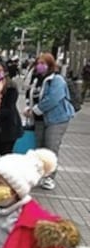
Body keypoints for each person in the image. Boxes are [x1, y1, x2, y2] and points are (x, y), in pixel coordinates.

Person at [24, 53, 75, 190]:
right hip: (40, 119)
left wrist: (35, 110)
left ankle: (49, 177)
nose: (40, 66)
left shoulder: (57, 80)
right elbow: (31, 95)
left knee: (51, 147)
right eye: (38, 63)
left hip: (57, 119)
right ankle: (39, 175)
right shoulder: (37, 79)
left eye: (43, 63)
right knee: (39, 148)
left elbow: (53, 99)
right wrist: (29, 107)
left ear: (50, 65)